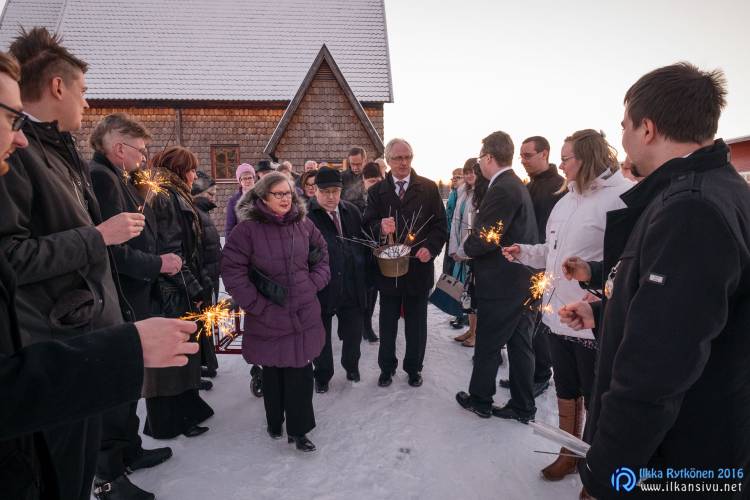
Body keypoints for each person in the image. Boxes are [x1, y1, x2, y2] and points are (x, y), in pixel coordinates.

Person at [0, 48, 199, 500]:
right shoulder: (24, 159)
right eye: (84, 90)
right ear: (57, 86)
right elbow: (13, 256)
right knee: (67, 463)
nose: (87, 102)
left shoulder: (59, 151)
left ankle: (115, 468)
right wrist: (99, 237)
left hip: (86, 328)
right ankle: (109, 480)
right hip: (57, 339)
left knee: (91, 441)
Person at [559, 63, 750, 499]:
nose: (623, 136)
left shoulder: (692, 209)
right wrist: (604, 311)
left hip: (680, 459)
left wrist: (608, 471)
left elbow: (656, 367)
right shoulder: (714, 190)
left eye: (624, 125)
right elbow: (687, 313)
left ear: (646, 129)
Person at [502, 129, 632, 481]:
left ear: (586, 158)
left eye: (565, 158)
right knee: (567, 389)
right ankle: (569, 452)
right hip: (557, 315)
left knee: (595, 396)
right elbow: (552, 252)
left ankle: (595, 468)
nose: (560, 165)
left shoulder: (620, 198)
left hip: (590, 319)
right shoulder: (565, 200)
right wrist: (525, 252)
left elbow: (625, 262)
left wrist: (597, 295)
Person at [89, 113, 180, 498]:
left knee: (129, 379)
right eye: (140, 151)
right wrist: (158, 264)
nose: (144, 158)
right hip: (121, 296)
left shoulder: (118, 176)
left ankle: (131, 450)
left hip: (131, 295)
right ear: (119, 148)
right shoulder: (103, 178)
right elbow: (114, 251)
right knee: (116, 385)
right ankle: (109, 475)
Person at [221, 172, 330, 452]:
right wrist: (258, 305)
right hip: (268, 315)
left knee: (301, 372)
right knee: (273, 372)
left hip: (303, 313)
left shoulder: (303, 224)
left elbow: (322, 255)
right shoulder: (247, 231)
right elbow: (232, 272)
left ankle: (299, 430)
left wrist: (312, 284)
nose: (285, 199)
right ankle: (274, 421)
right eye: (278, 194)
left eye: (288, 193)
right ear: (263, 197)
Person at [454, 131, 538, 422]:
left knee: (489, 343)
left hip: (503, 282)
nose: (479, 164)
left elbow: (488, 236)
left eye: (481, 158)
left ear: (489, 157)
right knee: (520, 344)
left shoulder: (502, 188)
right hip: (522, 279)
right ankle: (523, 405)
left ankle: (480, 399)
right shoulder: (515, 184)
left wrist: (463, 251)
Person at [363, 138, 448, 388]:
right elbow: (366, 226)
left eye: (408, 157)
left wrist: (430, 248)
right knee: (387, 322)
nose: (404, 162)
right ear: (388, 160)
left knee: (416, 324)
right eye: (398, 158)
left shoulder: (429, 188)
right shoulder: (377, 192)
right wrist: (379, 227)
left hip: (419, 268)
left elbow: (440, 225)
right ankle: (386, 368)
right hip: (388, 270)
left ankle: (414, 368)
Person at [143, 146, 214, 440]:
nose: (195, 175)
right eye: (192, 169)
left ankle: (186, 410)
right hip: (171, 290)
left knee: (183, 354)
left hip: (176, 285)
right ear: (179, 170)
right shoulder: (165, 196)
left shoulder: (170, 192)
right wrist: (194, 288)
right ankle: (170, 421)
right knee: (173, 357)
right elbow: (171, 251)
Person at [496, 136, 566, 397]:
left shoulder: (558, 187)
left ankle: (541, 374)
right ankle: (525, 373)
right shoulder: (530, 184)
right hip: (525, 261)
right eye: (521, 156)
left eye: (527, 155)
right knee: (524, 325)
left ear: (544, 154)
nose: (522, 161)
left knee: (539, 324)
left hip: (544, 267)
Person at [308, 167, 368, 391]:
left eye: (335, 191)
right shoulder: (306, 216)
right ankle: (322, 375)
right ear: (315, 190)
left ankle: (351, 366)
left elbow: (362, 243)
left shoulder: (351, 211)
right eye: (325, 192)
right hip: (322, 288)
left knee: (353, 333)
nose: (331, 196)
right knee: (321, 337)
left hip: (351, 283)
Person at [191, 170, 221, 381]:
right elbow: (197, 253)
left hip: (209, 277)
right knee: (201, 324)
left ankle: (208, 363)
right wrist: (203, 282)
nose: (213, 198)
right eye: (210, 194)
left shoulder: (203, 213)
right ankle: (203, 366)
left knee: (207, 323)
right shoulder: (196, 214)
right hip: (203, 280)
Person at [449, 159, 478, 346]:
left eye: (472, 172)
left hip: (473, 252)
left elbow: (472, 228)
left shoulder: (481, 194)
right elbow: (455, 223)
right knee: (467, 293)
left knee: (475, 294)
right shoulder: (462, 193)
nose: (469, 175)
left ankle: (477, 333)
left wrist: (464, 251)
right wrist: (454, 248)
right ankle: (471, 329)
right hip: (461, 249)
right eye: (466, 172)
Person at [360, 162, 383, 344]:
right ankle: (363, 324)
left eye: (377, 180)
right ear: (364, 181)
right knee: (364, 290)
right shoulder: (358, 200)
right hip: (361, 250)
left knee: (374, 289)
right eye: (371, 181)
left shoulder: (384, 198)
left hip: (379, 249)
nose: (374, 184)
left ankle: (367, 324)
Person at [225, 163, 255, 237]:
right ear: (240, 181)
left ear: (254, 179)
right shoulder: (233, 201)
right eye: (244, 178)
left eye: (250, 178)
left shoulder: (261, 196)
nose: (248, 181)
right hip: (242, 239)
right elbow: (230, 227)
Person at [341, 146, 367, 211]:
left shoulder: (371, 177)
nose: (355, 168)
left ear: (365, 161)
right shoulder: (341, 177)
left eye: (358, 164)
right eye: (352, 164)